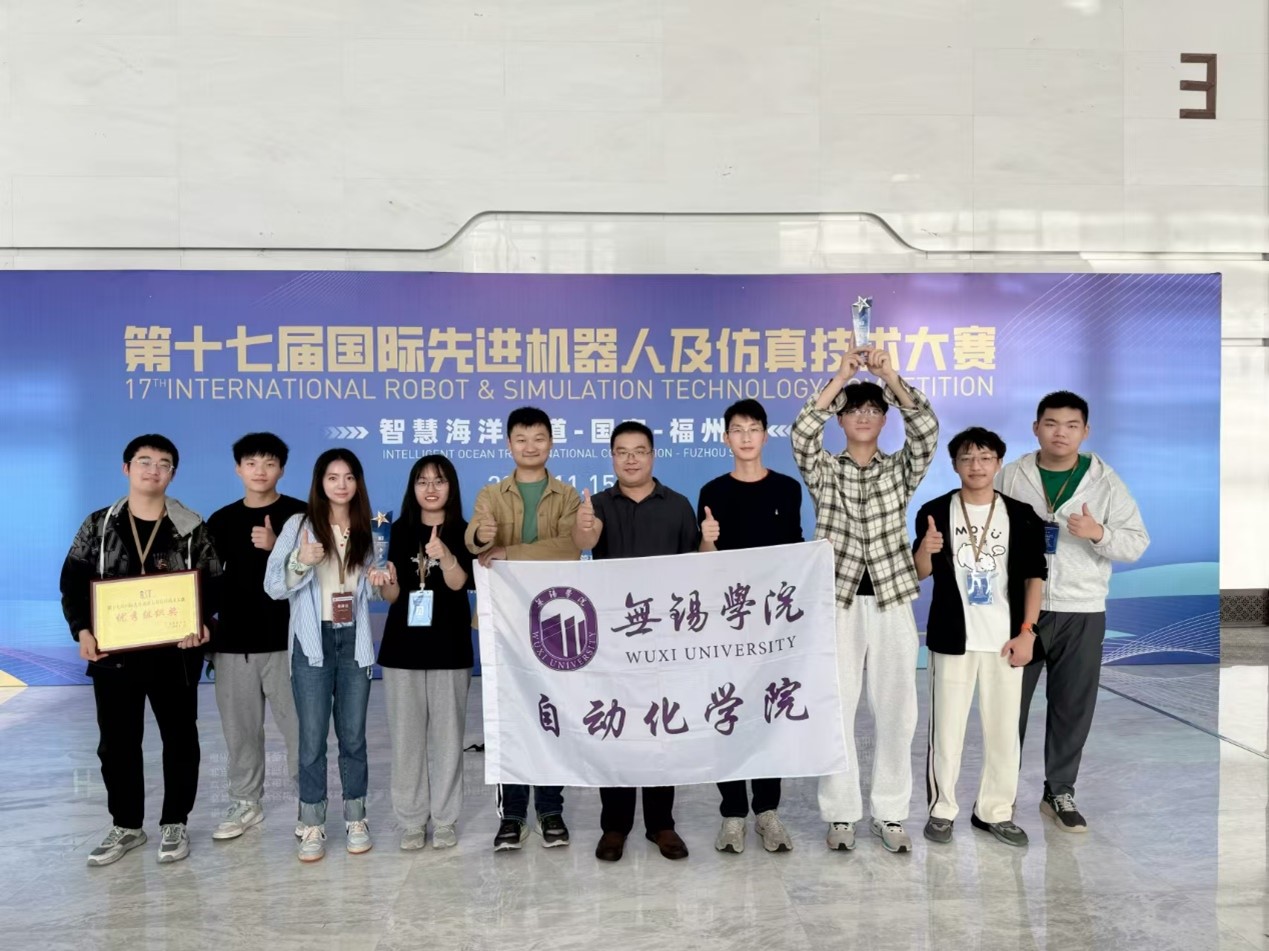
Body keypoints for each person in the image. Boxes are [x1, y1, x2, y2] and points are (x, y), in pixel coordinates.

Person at [792, 346, 938, 854]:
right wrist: (840, 378)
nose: (864, 417)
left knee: (898, 710)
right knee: (836, 707)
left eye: (874, 410)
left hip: (892, 597)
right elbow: (801, 434)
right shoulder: (824, 470)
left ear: (884, 419)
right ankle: (841, 813)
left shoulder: (900, 470)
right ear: (840, 418)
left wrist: (889, 377)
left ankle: (891, 813)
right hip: (837, 600)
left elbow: (927, 432)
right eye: (854, 410)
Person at [59, 434, 220, 867]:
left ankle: (175, 822)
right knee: (117, 744)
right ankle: (127, 825)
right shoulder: (99, 525)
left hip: (176, 655)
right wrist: (82, 630)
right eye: (144, 461)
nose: (153, 470)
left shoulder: (191, 527)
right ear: (126, 468)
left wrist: (203, 625)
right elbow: (72, 582)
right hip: (113, 656)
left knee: (180, 739)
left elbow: (214, 585)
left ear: (173, 474)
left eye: (164, 463)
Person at [997, 391, 1149, 832]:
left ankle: (1059, 791)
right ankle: (999, 794)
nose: (1059, 433)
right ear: (1035, 428)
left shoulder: (1105, 482)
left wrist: (1099, 533)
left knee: (1072, 708)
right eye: (1050, 423)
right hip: (1019, 610)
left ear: (1085, 431)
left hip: (1082, 610)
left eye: (1070, 425)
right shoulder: (1012, 476)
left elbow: (1136, 542)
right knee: (1007, 706)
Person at [913, 427, 1047, 847]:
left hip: (1006, 641)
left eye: (985, 457)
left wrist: (1027, 632)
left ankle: (995, 812)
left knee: (1005, 733)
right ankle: (942, 810)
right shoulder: (935, 511)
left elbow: (1035, 577)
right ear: (954, 464)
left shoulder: (1022, 514)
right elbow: (919, 573)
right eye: (967, 458)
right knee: (946, 732)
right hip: (953, 639)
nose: (976, 465)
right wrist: (926, 549)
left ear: (998, 463)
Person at [573, 420, 700, 863]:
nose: (631, 459)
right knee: (617, 727)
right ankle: (615, 825)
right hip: (613, 639)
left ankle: (661, 823)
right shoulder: (596, 505)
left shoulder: (678, 505)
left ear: (652, 455)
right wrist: (584, 528)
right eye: (622, 452)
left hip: (665, 638)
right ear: (612, 457)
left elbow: (695, 570)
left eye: (639, 451)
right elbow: (583, 543)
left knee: (662, 727)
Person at [264, 448, 392, 862]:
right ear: (320, 482)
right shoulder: (298, 525)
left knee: (353, 737)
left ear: (358, 483)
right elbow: (273, 585)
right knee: (312, 739)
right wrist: (300, 561)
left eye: (349, 477)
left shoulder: (370, 529)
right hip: (311, 641)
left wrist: (382, 578)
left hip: (354, 640)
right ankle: (312, 822)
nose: (341, 484)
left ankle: (356, 817)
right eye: (333, 477)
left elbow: (376, 593)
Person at [465, 406, 581, 852]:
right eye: (521, 438)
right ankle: (512, 815)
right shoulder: (491, 494)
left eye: (538, 438)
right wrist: (483, 536)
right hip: (504, 622)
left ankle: (550, 810)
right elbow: (474, 541)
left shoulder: (567, 496)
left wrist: (510, 551)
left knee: (551, 715)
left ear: (550, 442)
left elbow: (569, 548)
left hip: (555, 620)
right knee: (508, 718)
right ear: (509, 444)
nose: (530, 446)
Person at [696, 398, 803, 854]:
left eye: (753, 428)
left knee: (768, 711)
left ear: (764, 434)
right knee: (729, 710)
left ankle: (767, 811)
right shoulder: (712, 491)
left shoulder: (787, 488)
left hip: (772, 623)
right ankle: (732, 813)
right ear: (726, 438)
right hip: (727, 621)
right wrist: (706, 542)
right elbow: (705, 564)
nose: (745, 436)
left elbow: (795, 551)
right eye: (737, 429)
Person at [205, 433, 305, 842]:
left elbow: (319, 573)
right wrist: (202, 626)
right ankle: (246, 801)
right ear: (238, 469)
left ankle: (310, 804)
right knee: (240, 731)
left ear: (282, 469)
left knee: (301, 730)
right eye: (251, 463)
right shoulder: (220, 521)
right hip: (234, 646)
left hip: (290, 643)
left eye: (269, 463)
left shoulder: (300, 515)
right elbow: (206, 582)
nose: (260, 471)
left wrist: (278, 547)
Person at [377, 455, 475, 851]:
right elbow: (392, 595)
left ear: (451, 486)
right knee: (406, 740)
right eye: (422, 481)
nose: (431, 488)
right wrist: (386, 581)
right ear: (412, 487)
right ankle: (412, 819)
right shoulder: (395, 531)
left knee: (448, 740)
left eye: (439, 480)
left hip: (449, 648)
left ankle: (446, 818)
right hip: (403, 649)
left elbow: (459, 584)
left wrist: (446, 556)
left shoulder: (465, 531)